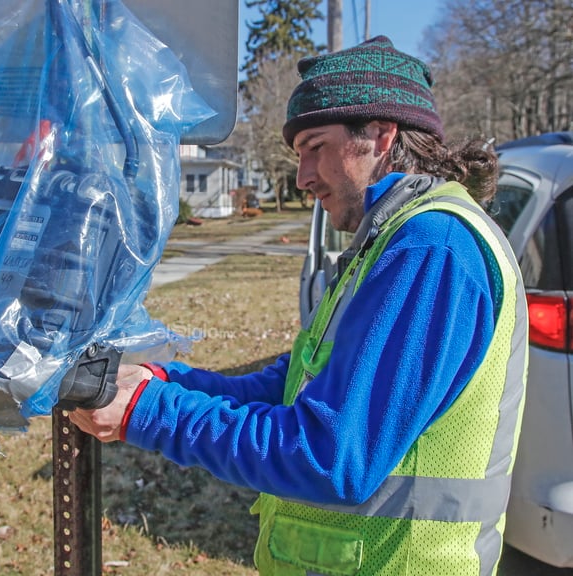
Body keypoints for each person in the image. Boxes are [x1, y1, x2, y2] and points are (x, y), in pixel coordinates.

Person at [69, 36, 528, 576]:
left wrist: (149, 413)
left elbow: (332, 456)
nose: (303, 177)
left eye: (316, 146)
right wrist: (163, 381)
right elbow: (297, 387)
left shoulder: (431, 247)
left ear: (381, 135)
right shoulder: (388, 241)